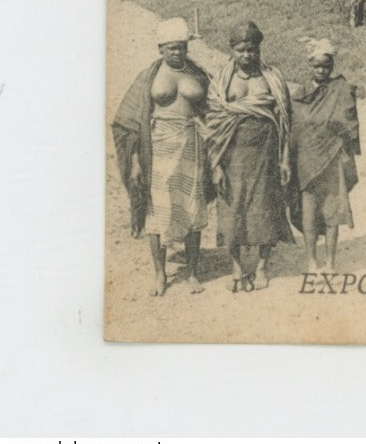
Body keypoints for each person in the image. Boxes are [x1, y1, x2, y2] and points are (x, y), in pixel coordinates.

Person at [112, 17, 213, 296]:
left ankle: (192, 272)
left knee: (192, 207)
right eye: (171, 48)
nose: (177, 52)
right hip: (157, 149)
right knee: (157, 211)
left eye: (181, 47)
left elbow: (216, 106)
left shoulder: (198, 74)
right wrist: (134, 161)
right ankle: (160, 274)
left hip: (190, 146)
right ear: (160, 48)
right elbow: (128, 122)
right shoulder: (149, 77)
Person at [206, 21, 293, 292]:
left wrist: (285, 158)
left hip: (266, 152)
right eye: (241, 50)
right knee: (232, 209)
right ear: (231, 50)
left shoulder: (273, 79)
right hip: (231, 155)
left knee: (265, 208)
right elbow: (213, 125)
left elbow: (285, 122)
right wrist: (216, 165)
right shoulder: (221, 81)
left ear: (259, 49)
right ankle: (236, 267)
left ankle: (261, 266)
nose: (247, 55)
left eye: (252, 49)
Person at [288, 38, 361, 274]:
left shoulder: (340, 90)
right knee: (309, 214)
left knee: (332, 213)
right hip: (307, 162)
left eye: (326, 66)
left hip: (332, 161)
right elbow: (294, 128)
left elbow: (348, 122)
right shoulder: (299, 96)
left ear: (332, 66)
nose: (321, 70)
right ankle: (311, 262)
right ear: (309, 66)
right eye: (317, 66)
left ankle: (330, 263)